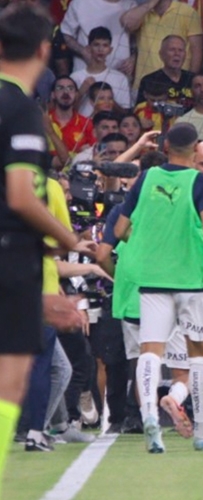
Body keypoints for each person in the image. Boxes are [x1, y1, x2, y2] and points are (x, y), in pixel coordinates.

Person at [0, 3, 89, 487]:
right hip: (10, 252)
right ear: (44, 50)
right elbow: (21, 196)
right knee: (10, 379)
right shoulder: (21, 109)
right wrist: (71, 240)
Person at [114, 123, 203, 452]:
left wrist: (148, 241)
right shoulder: (202, 182)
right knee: (198, 355)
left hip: (153, 279)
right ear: (195, 149)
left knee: (150, 350)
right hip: (192, 281)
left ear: (166, 146)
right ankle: (201, 430)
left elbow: (120, 229)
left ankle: (149, 417)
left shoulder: (146, 178)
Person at [120, 0, 203, 90]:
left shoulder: (187, 12)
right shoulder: (143, 12)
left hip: (178, 84)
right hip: (145, 84)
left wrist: (190, 83)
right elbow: (126, 23)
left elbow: (196, 52)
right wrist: (152, 3)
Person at [61, 0, 136, 76]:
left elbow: (136, 39)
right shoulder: (80, 2)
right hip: (85, 74)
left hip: (120, 75)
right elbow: (67, 34)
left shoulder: (131, 5)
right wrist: (83, 52)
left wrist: (133, 58)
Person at [70, 27, 132, 117]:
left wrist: (107, 100)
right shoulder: (75, 77)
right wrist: (81, 93)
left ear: (110, 50)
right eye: (96, 45)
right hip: (81, 124)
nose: (100, 49)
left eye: (105, 45)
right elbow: (68, 113)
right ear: (88, 48)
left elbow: (125, 114)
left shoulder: (120, 78)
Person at [135, 35, 194, 110]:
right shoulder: (149, 80)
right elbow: (140, 110)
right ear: (161, 54)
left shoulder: (193, 79)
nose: (177, 53)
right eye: (172, 50)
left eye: (180, 50)